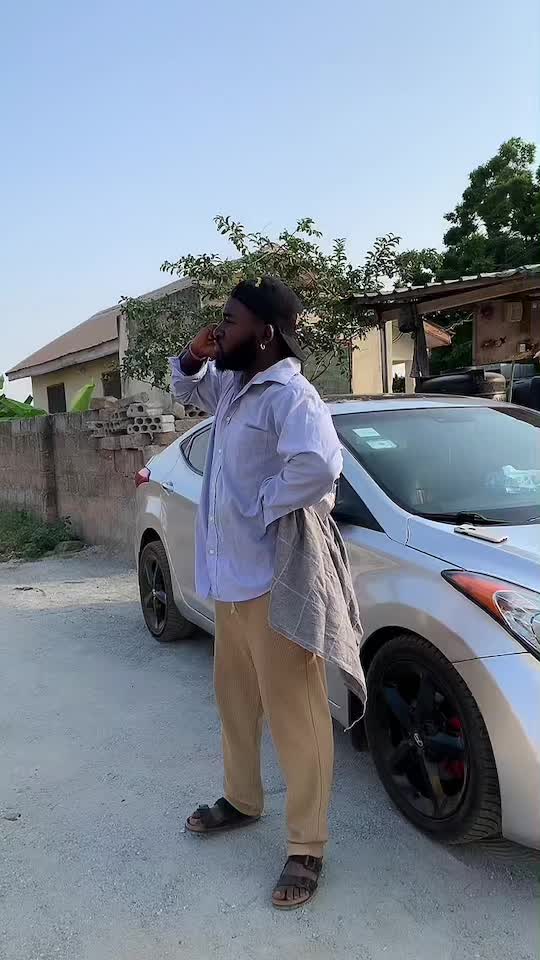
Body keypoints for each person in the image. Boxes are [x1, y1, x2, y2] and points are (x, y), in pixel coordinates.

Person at [170, 276, 343, 909]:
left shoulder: (290, 395)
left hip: (274, 581)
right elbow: (185, 388)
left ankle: (307, 844)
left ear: (265, 332)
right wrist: (193, 355)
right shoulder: (234, 385)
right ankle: (243, 800)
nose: (220, 329)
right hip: (230, 583)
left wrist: (263, 504)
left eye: (230, 320)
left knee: (296, 714)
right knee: (236, 702)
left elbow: (319, 465)